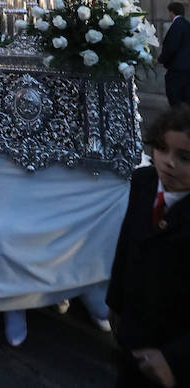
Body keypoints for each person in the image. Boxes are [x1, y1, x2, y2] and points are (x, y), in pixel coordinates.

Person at [107, 104, 190, 387]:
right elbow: (126, 243)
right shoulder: (143, 181)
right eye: (161, 149)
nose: (168, 162)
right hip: (134, 331)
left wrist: (176, 361)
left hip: (172, 344)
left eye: (185, 157)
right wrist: (114, 301)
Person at [158, 2, 190, 106]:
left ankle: (178, 120)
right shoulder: (187, 25)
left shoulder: (176, 25)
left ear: (171, 12)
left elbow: (171, 47)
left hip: (177, 70)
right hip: (187, 70)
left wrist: (161, 59)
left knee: (175, 99)